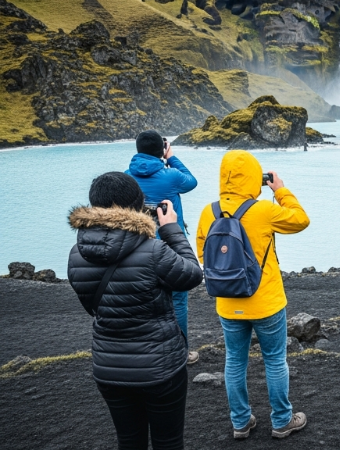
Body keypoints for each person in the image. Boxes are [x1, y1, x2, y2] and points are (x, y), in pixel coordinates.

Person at [67, 172, 203, 449]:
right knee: (168, 442)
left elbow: (91, 307)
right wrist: (172, 230)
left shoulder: (76, 253)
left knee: (129, 441)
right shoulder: (154, 250)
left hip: (108, 367)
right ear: (139, 205)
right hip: (161, 366)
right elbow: (191, 275)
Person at [196, 150, 310, 440]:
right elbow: (300, 220)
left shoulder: (208, 212)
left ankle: (241, 422)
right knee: (274, 360)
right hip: (266, 301)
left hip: (227, 301)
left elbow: (202, 255)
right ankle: (282, 421)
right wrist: (281, 190)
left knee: (235, 360)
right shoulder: (263, 210)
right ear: (254, 177)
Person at [126, 130, 200, 364]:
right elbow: (192, 181)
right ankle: (181, 352)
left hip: (138, 246)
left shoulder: (127, 177)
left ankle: (148, 350)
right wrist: (171, 157)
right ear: (162, 149)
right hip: (172, 243)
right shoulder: (171, 176)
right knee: (177, 299)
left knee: (144, 298)